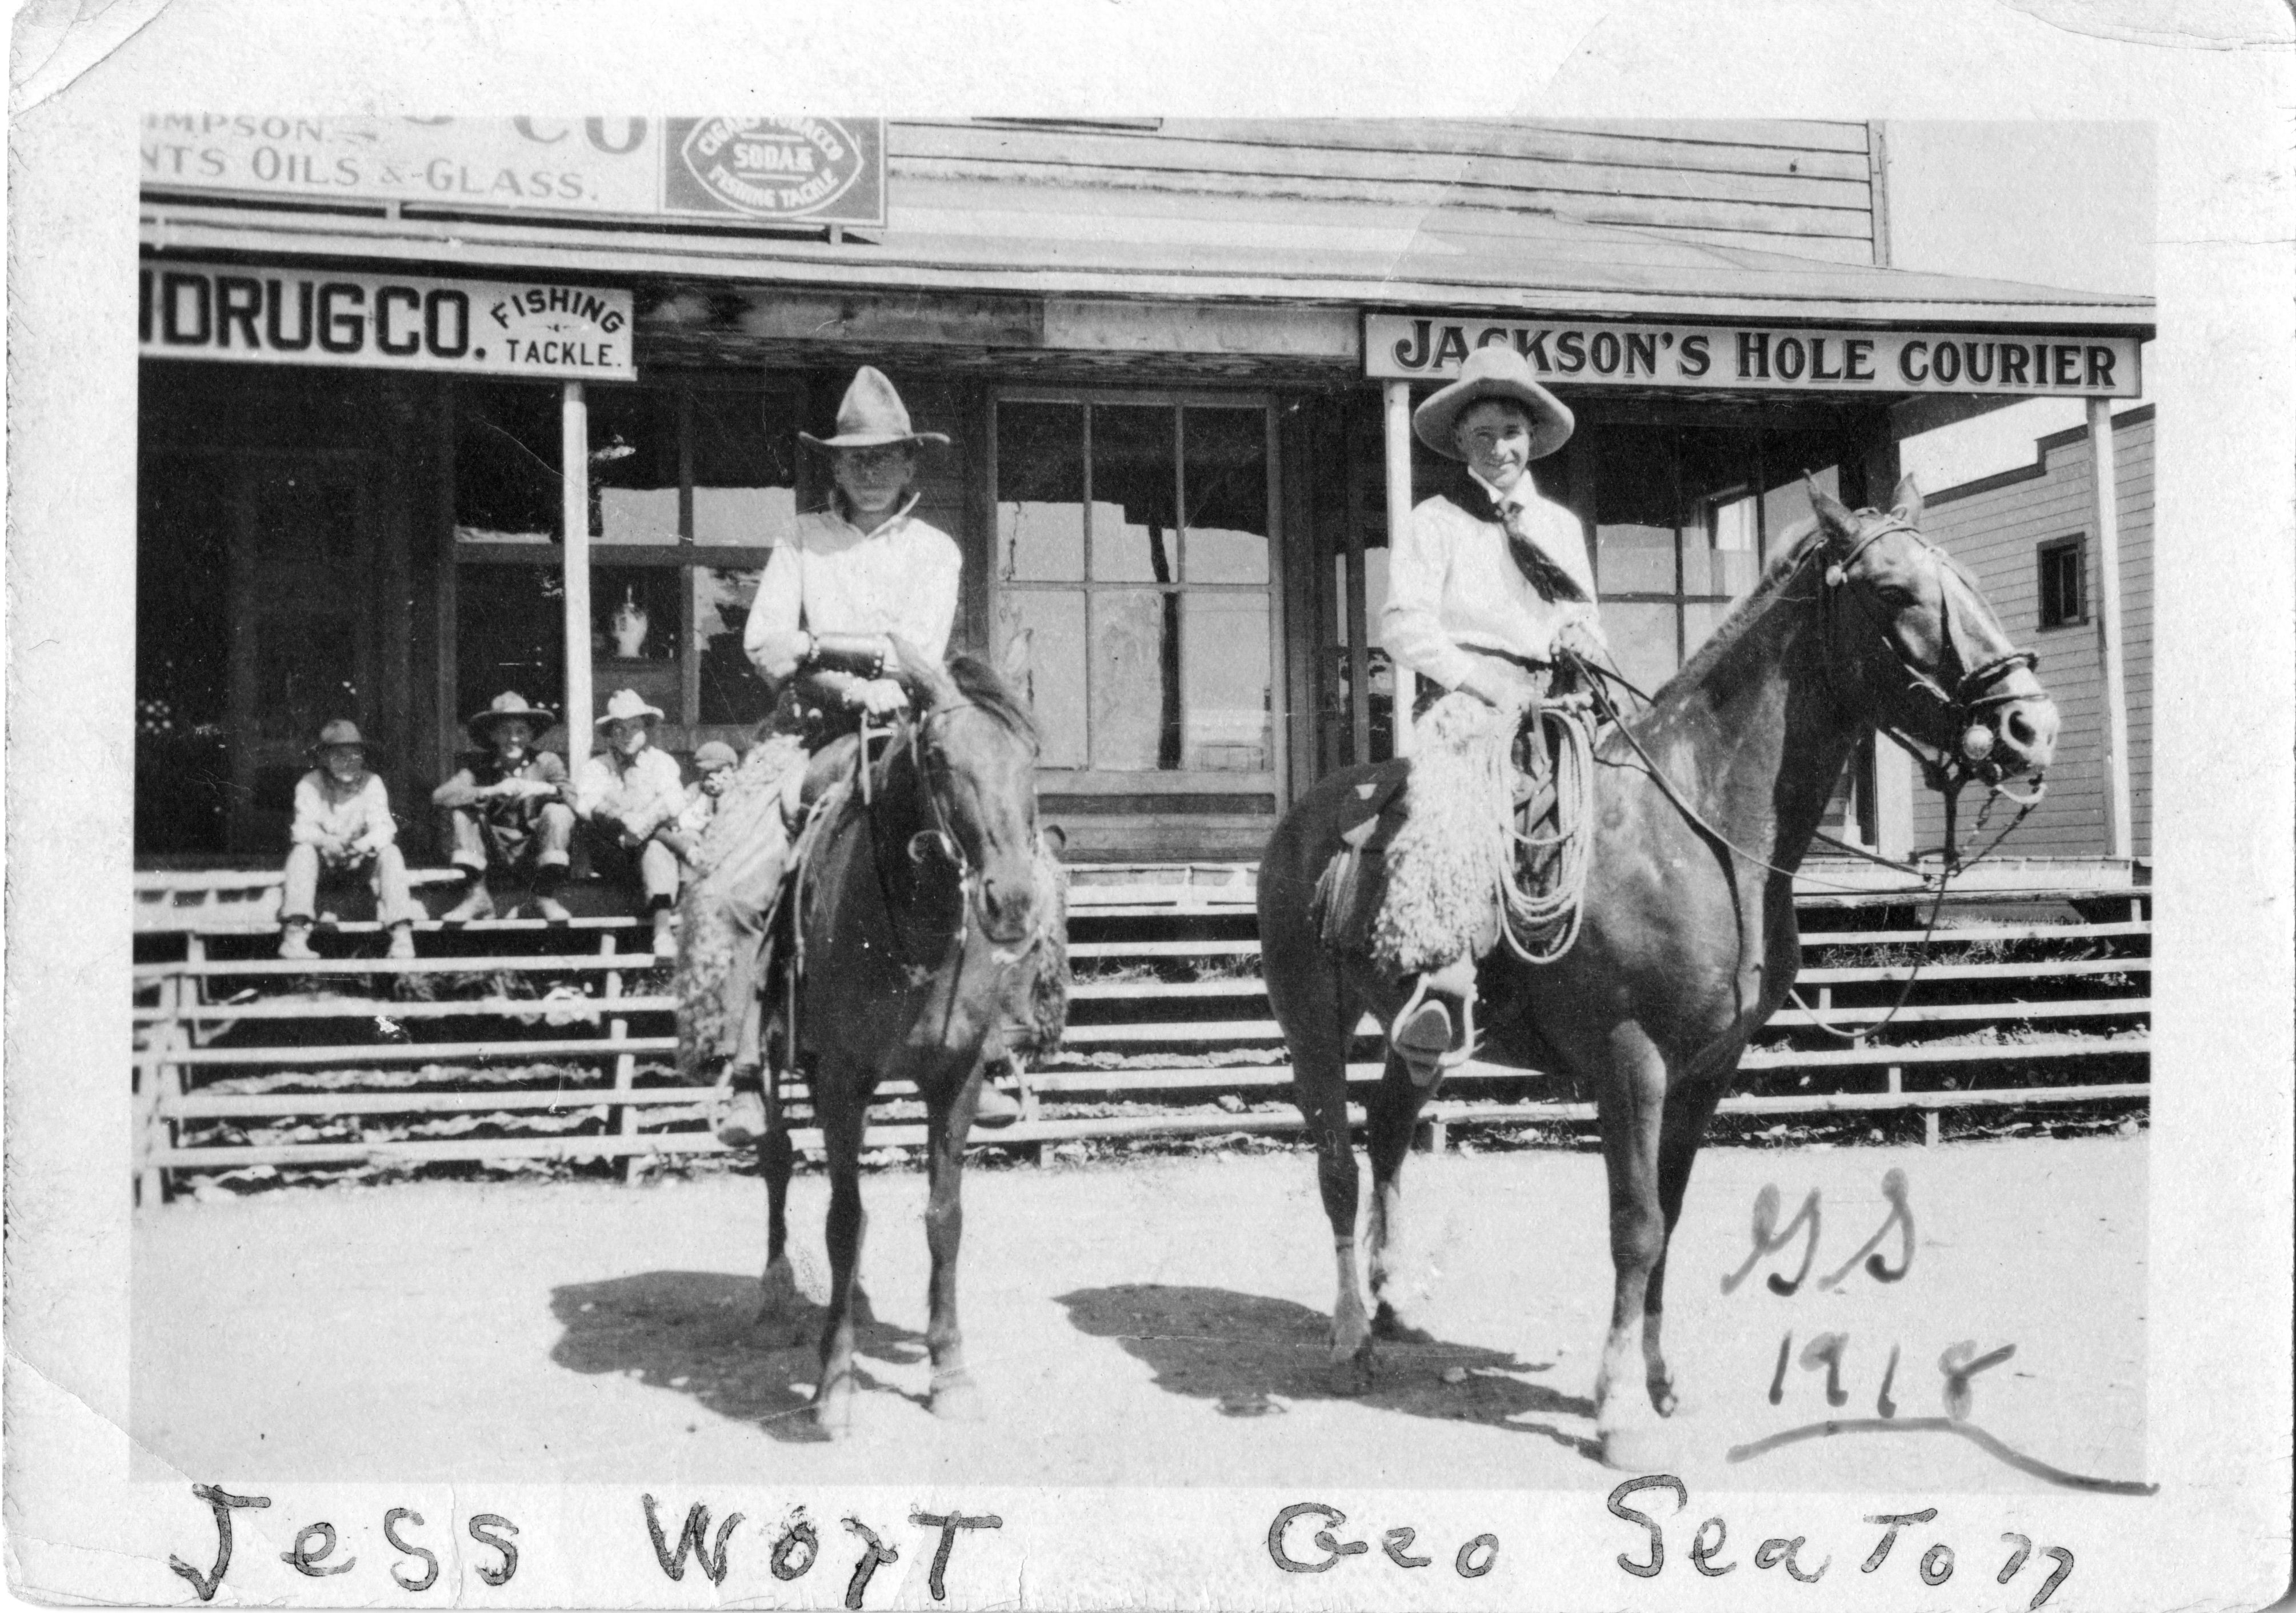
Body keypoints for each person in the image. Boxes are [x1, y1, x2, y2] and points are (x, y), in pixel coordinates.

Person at [679, 364, 1021, 1145]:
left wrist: (824, 647)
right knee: (733, 878)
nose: (868, 472)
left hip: (911, 728)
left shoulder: (936, 550)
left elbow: (917, 652)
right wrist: (835, 673)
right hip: (810, 732)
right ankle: (746, 1069)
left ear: (909, 462)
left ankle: (995, 1050)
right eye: (853, 458)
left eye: (884, 457)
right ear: (832, 464)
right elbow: (765, 642)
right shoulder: (801, 536)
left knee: (1013, 854)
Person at [1378, 342, 1609, 1071]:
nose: (1500, 447)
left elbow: (1584, 616)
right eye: (1483, 435)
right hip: (1474, 698)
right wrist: (1478, 678)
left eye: (1512, 431)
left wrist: (1582, 640)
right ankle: (1443, 984)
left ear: (1531, 438)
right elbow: (1404, 624)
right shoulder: (1436, 520)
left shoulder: (1561, 525)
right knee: (1454, 809)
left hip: (1558, 696)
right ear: (1460, 443)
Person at [278, 719, 419, 960]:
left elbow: (384, 828)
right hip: (323, 866)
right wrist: (325, 841)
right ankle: (295, 937)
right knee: (302, 852)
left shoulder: (372, 783)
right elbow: (301, 829)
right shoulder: (311, 783)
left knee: (391, 853)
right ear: (324, 759)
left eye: (354, 755)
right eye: (338, 755)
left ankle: (402, 937)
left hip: (360, 864)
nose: (347, 762)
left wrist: (360, 846)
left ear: (363, 758)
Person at [431, 692, 575, 923]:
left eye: (520, 731)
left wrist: (544, 789)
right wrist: (492, 790)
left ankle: (545, 896)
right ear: (493, 735)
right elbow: (440, 796)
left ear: (530, 735)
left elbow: (574, 799)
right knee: (462, 813)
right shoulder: (479, 767)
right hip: (493, 859)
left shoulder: (547, 762)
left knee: (559, 812)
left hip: (534, 856)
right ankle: (476, 896)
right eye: (505, 731)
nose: (513, 738)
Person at [572, 689, 691, 957]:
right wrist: (624, 820)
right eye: (619, 729)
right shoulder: (598, 767)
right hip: (613, 853)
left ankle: (662, 933)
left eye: (634, 727)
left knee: (657, 850)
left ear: (645, 730)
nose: (627, 735)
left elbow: (675, 800)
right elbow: (587, 805)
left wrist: (646, 822)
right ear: (610, 733)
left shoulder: (662, 763)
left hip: (649, 849)